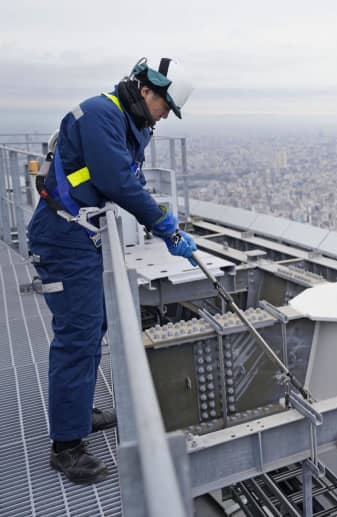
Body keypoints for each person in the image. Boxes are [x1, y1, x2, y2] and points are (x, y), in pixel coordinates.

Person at [26, 57, 197, 484]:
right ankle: (66, 447)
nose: (163, 117)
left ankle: (78, 412)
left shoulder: (125, 119)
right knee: (77, 335)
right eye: (164, 107)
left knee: (94, 324)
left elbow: (124, 181)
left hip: (81, 236)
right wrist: (164, 225)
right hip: (62, 238)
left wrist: (154, 221)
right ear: (146, 92)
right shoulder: (103, 114)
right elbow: (118, 180)